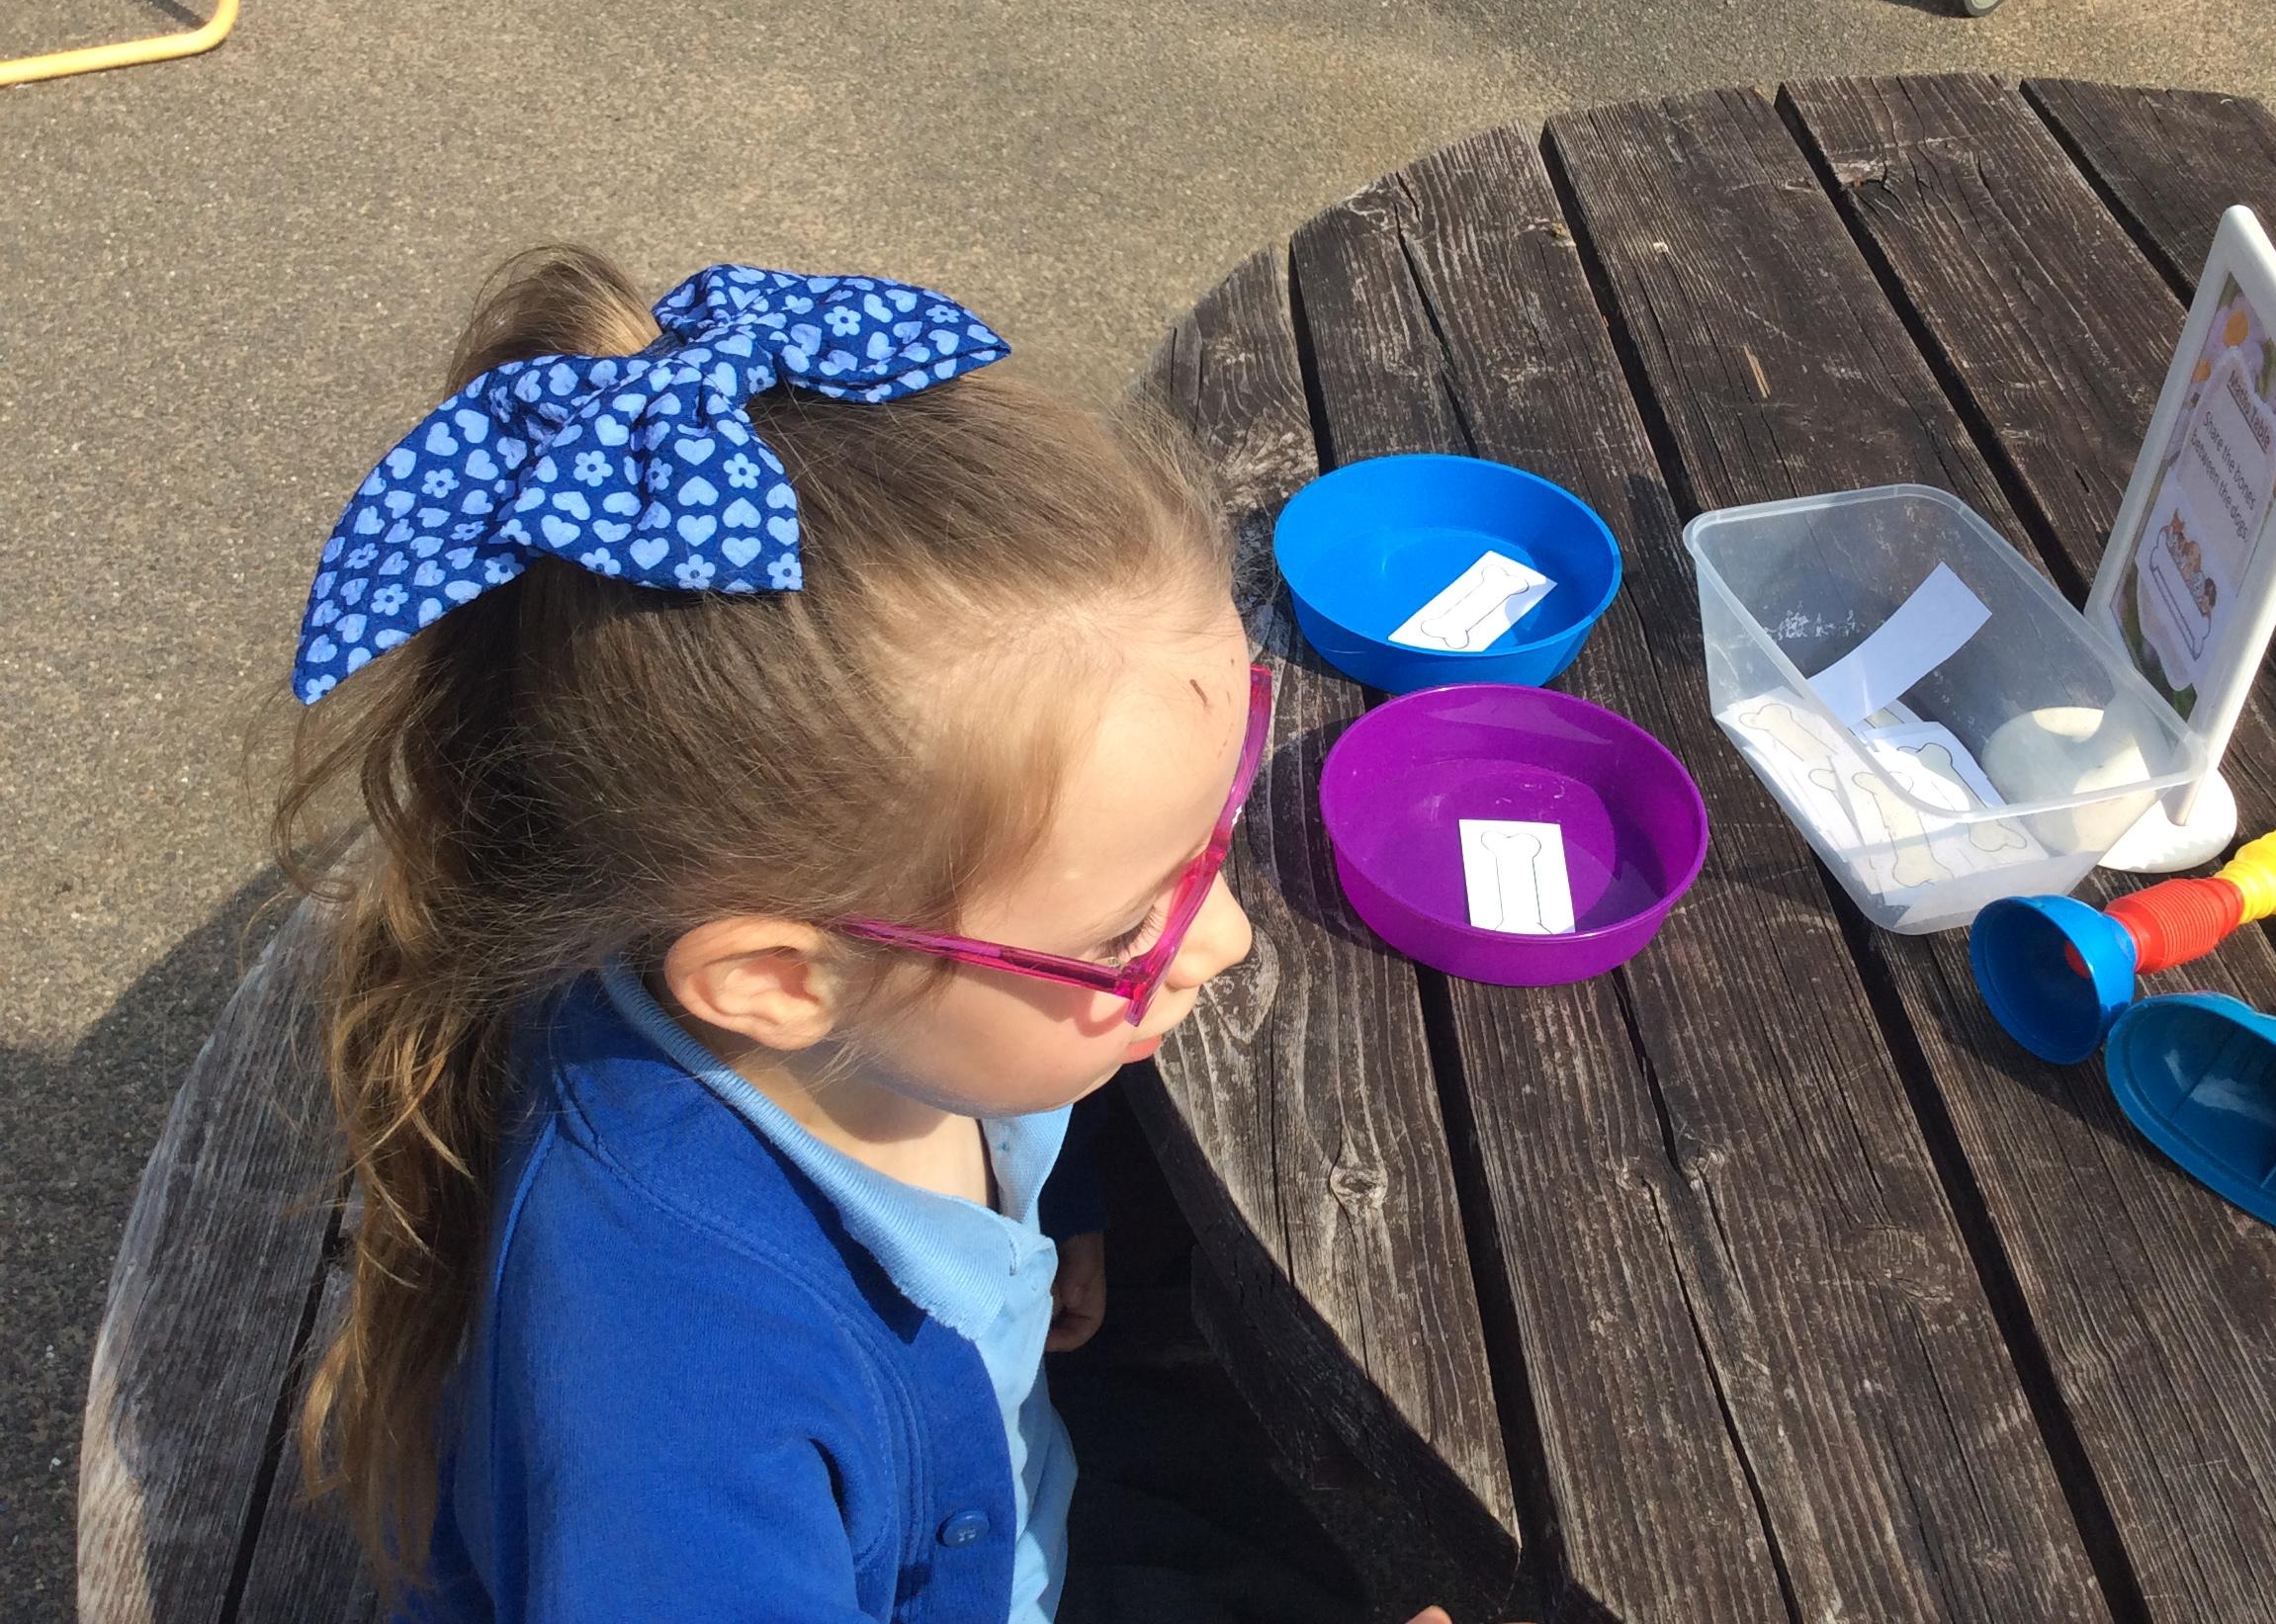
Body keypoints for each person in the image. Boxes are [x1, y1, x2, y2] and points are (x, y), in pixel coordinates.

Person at [274, 248, 1460, 1624]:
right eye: (1129, 926)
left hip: (1022, 1480)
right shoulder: (672, 1410)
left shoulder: (883, 983)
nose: (1228, 941)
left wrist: (1063, 1201)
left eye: (1215, 840)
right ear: (779, 979)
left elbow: (991, 1041)